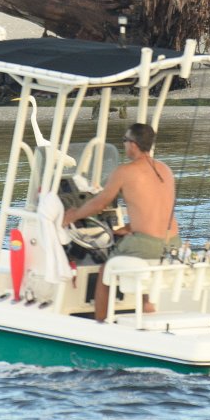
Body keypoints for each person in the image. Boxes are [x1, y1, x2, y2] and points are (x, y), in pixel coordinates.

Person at [63, 123, 180, 322]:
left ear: (133, 144)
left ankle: (101, 323)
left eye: (125, 141)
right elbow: (156, 206)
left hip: (147, 243)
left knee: (106, 270)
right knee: (140, 263)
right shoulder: (165, 170)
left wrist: (73, 215)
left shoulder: (125, 171)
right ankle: (147, 309)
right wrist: (130, 228)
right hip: (174, 243)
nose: (124, 145)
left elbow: (99, 204)